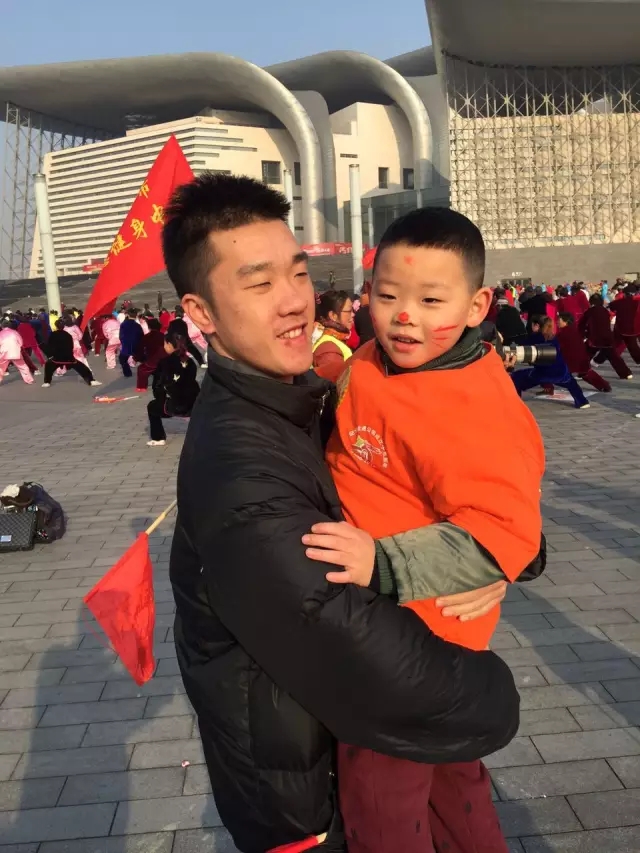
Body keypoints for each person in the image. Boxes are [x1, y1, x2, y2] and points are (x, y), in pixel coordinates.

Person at [162, 172, 519, 853]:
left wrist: (496, 551)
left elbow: (464, 474)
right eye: (259, 284)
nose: (295, 300)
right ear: (201, 311)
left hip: (349, 726)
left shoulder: (302, 395)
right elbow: (348, 636)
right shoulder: (241, 467)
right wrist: (492, 696)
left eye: (298, 273)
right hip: (308, 786)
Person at [303, 207, 544, 853]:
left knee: (380, 798)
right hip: (404, 629)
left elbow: (501, 529)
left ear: (477, 305)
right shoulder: (373, 359)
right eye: (388, 296)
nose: (405, 316)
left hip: (412, 640)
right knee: (451, 779)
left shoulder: (472, 403)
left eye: (431, 300)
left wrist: (381, 562)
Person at [512, 315, 591, 408]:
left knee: (516, 377)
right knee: (572, 383)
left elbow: (521, 348)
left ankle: (515, 402)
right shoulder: (554, 337)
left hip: (541, 374)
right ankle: (582, 402)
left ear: (537, 326)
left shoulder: (534, 337)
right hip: (560, 372)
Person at [146, 330, 200, 446]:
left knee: (152, 407)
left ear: (170, 344)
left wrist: (161, 400)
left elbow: (158, 387)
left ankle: (158, 438)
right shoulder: (190, 362)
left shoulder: (164, 362)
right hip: (195, 404)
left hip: (176, 405)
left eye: (165, 344)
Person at [579, 293, 632, 380]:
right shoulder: (605, 311)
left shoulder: (589, 312)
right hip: (608, 338)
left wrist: (582, 335)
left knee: (586, 354)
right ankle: (626, 373)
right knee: (614, 356)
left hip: (595, 338)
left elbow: (582, 325)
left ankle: (582, 373)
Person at [556, 312, 611, 392]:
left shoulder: (563, 333)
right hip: (581, 357)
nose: (557, 322)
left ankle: (548, 387)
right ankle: (604, 385)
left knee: (551, 372)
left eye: (559, 320)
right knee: (585, 373)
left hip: (571, 359)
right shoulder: (574, 330)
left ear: (566, 321)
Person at [42, 319, 101, 388]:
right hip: (69, 358)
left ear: (56, 326)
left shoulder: (53, 335)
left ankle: (47, 382)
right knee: (82, 367)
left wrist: (51, 355)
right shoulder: (68, 335)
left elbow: (50, 346)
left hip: (56, 358)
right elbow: (71, 347)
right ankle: (91, 381)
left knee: (48, 366)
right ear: (64, 326)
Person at [312, 289, 354, 382]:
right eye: (349, 311)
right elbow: (334, 384)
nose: (353, 314)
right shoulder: (329, 348)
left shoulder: (334, 339)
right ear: (333, 315)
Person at [608, 285, 640, 363]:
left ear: (624, 294)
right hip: (633, 328)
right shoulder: (637, 302)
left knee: (615, 344)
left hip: (620, 327)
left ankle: (610, 357)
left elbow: (611, 307)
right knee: (633, 346)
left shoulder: (618, 302)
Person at [135, 318, 167, 392]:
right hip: (164, 359)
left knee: (141, 369)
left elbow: (139, 350)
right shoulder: (163, 336)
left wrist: (138, 358)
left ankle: (142, 387)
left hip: (152, 361)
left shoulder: (147, 337)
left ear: (149, 327)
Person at [0, 318, 34, 385]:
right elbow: (20, 342)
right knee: (23, 366)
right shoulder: (15, 332)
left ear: (2, 326)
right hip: (15, 351)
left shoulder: (1, 333)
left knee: (1, 367)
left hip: (4, 352)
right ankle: (29, 380)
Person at [119, 308, 144, 377]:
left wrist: (123, 343)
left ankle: (128, 373)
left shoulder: (123, 324)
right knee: (142, 359)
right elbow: (141, 336)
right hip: (136, 345)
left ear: (128, 315)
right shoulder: (137, 325)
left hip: (126, 345)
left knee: (122, 360)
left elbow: (121, 336)